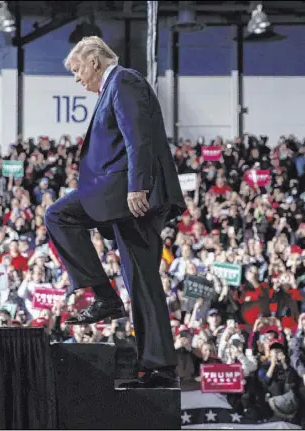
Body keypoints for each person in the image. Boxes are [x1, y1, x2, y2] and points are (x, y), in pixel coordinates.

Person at [44, 36, 186, 389]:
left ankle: (106, 298)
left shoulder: (123, 81)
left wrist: (138, 185)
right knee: (142, 280)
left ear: (93, 60)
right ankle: (158, 367)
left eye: (77, 70)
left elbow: (138, 136)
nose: (77, 79)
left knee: (59, 216)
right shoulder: (118, 85)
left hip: (128, 195)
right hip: (119, 196)